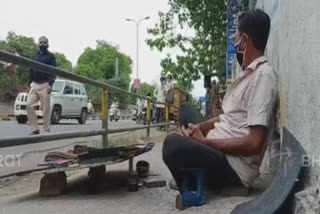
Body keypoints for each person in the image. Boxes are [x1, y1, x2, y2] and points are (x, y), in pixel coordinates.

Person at [163, 9, 279, 196]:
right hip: (216, 145)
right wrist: (199, 128)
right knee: (185, 110)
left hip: (232, 166)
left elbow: (255, 143)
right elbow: (226, 118)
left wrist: (205, 143)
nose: (235, 42)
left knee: (171, 145)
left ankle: (199, 179)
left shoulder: (263, 77)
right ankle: (193, 160)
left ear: (246, 40)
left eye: (237, 37)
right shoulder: (246, 75)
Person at [27, 36, 56, 135]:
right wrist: (29, 85)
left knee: (46, 109)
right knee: (29, 105)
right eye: (41, 42)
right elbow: (31, 70)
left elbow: (53, 71)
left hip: (45, 84)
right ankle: (35, 129)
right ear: (38, 44)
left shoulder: (51, 56)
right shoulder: (36, 56)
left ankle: (46, 129)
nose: (42, 44)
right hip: (34, 85)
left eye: (44, 42)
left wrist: (50, 84)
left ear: (47, 44)